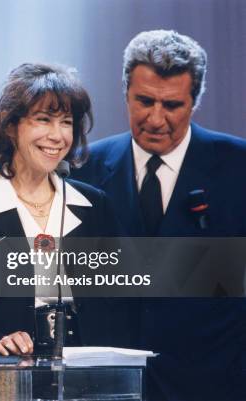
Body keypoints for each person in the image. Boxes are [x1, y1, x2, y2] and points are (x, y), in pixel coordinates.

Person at [71, 30, 246, 401]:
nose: (155, 119)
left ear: (194, 102)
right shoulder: (82, 168)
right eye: (144, 101)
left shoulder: (238, 167)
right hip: (108, 388)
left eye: (171, 106)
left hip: (214, 384)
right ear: (125, 94)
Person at [0, 63, 123, 357]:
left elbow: (118, 304)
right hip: (3, 377)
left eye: (66, 122)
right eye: (43, 119)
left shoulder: (94, 205)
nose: (57, 136)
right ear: (10, 125)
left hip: (84, 379)